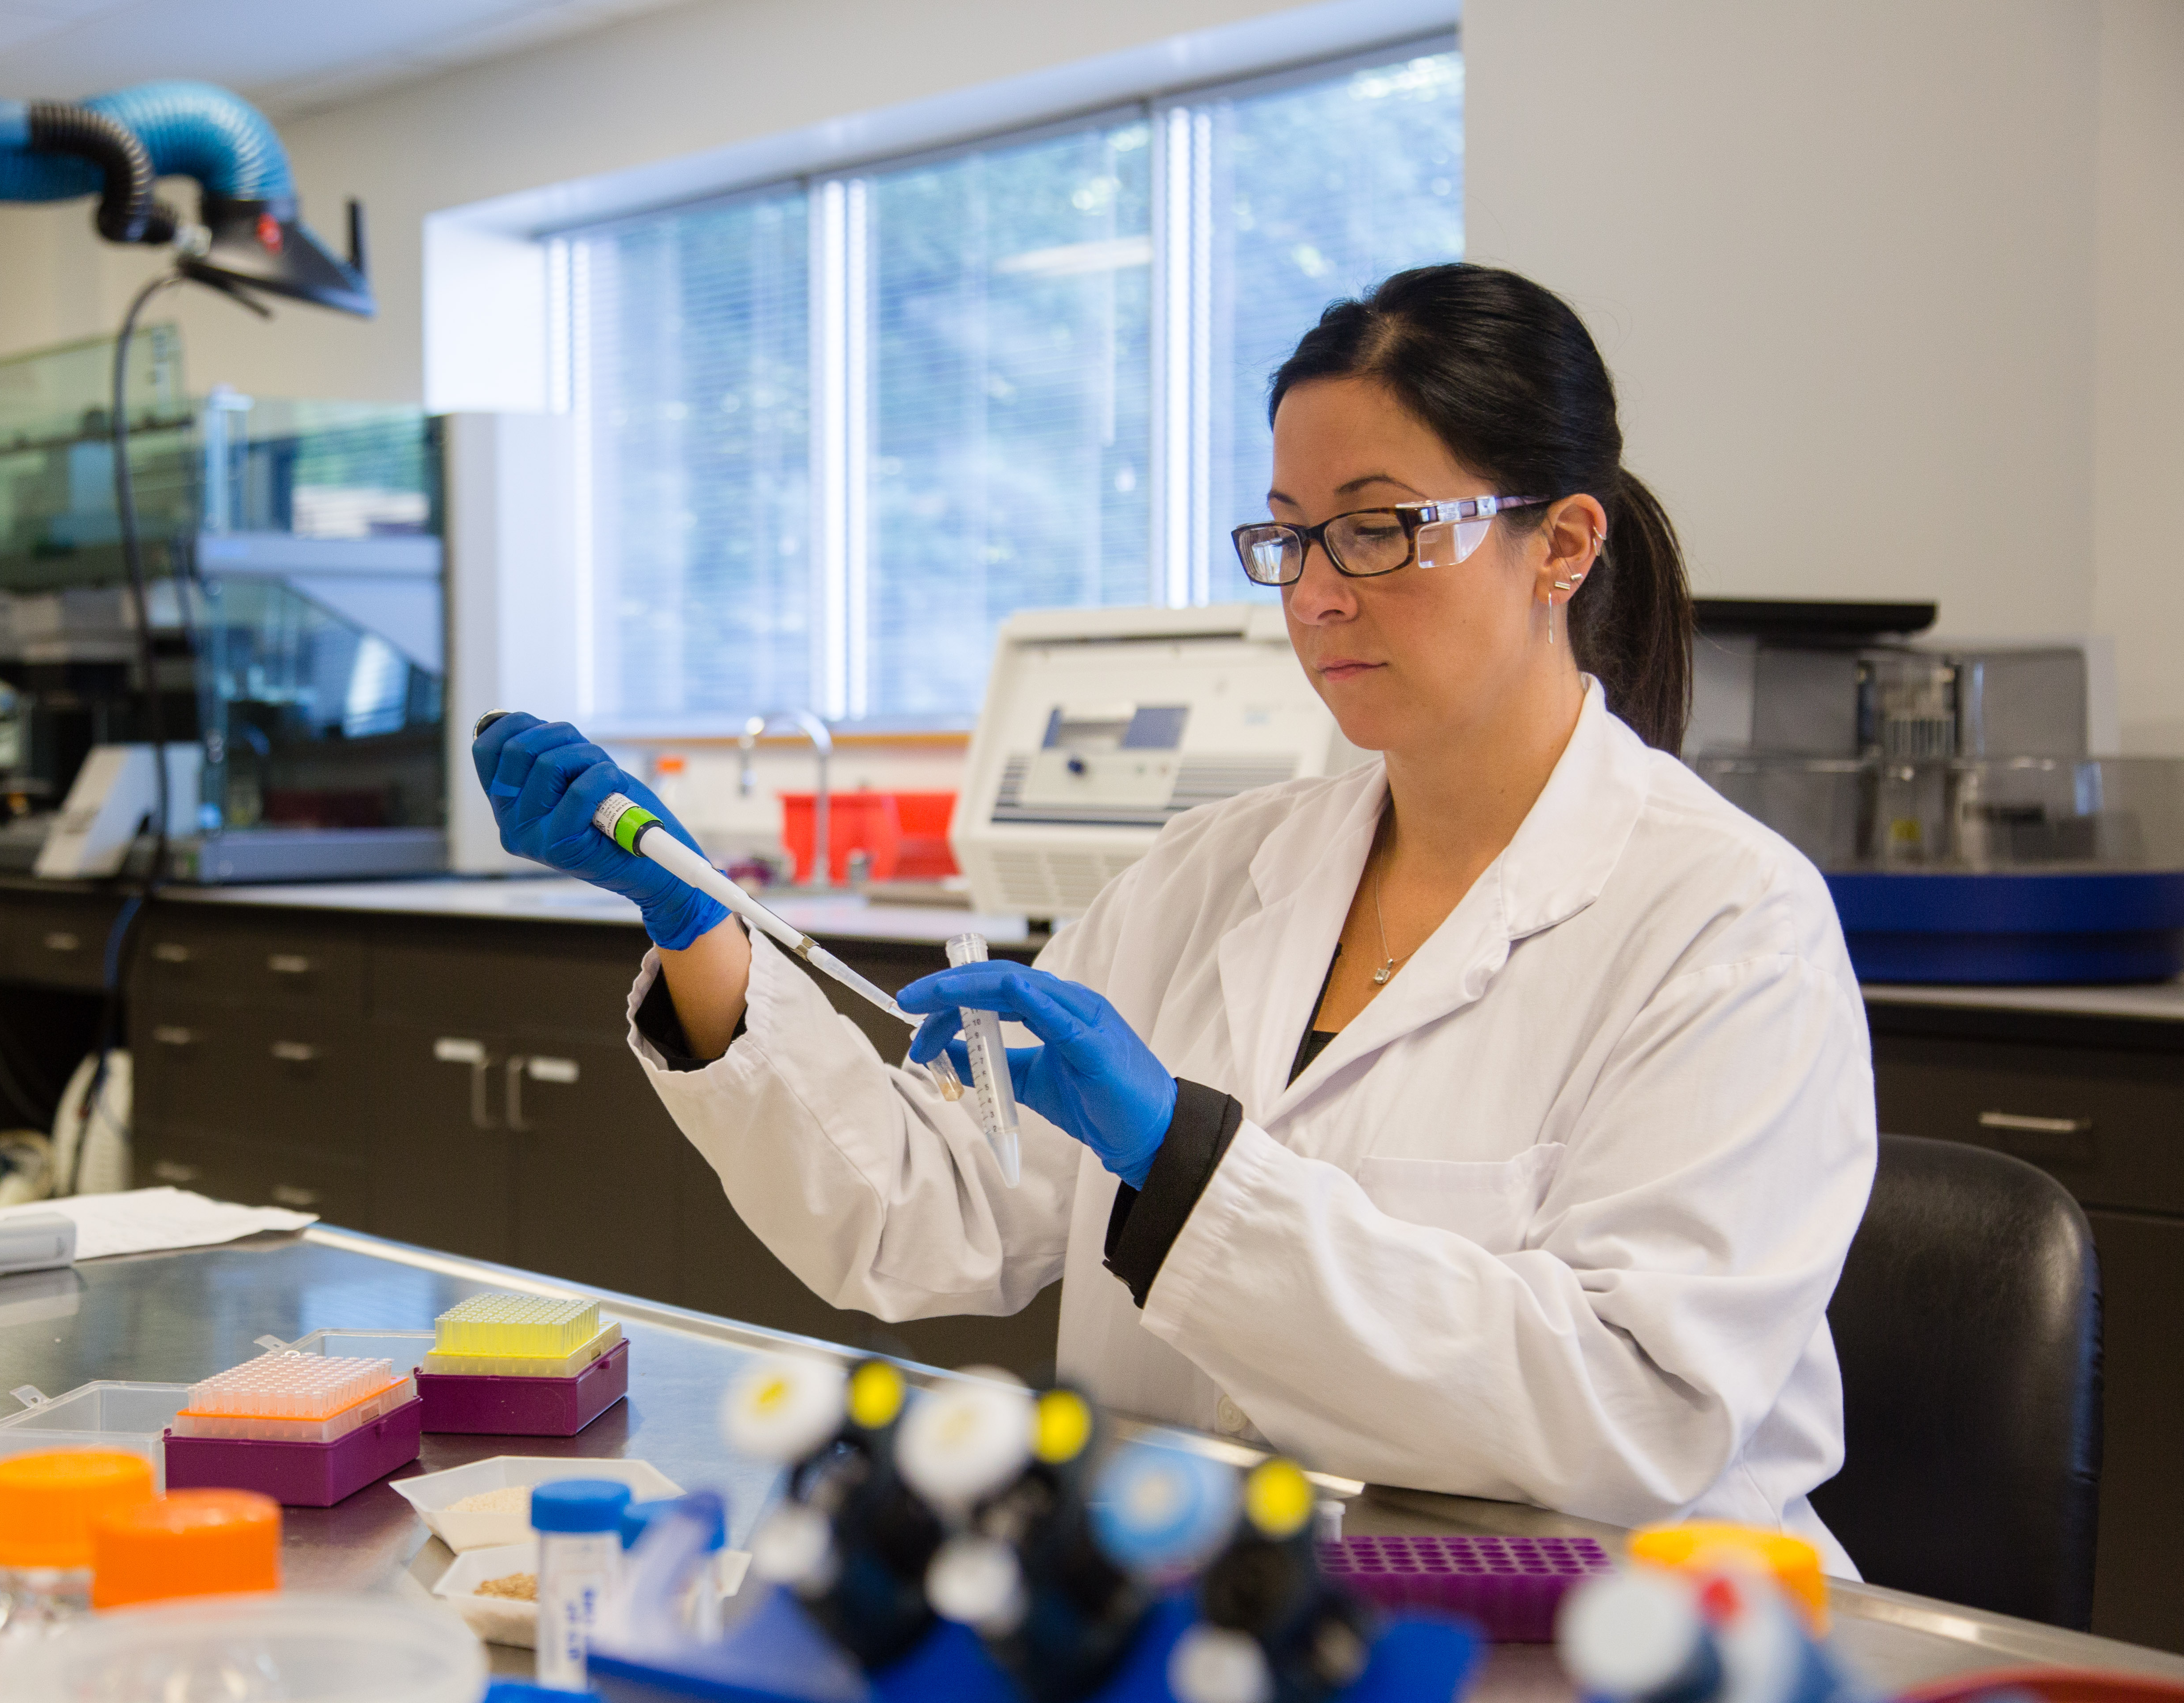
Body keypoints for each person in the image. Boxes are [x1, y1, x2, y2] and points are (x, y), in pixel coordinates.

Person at [475, 262, 1876, 1567]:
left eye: (1381, 530)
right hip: (1206, 1597)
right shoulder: (1211, 876)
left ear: (1563, 543)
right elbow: (924, 1215)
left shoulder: (1727, 922)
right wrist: (697, 919)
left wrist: (1187, 1165)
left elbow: (1631, 1412)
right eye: (1291, 537)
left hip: (1599, 1627)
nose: (1320, 595)